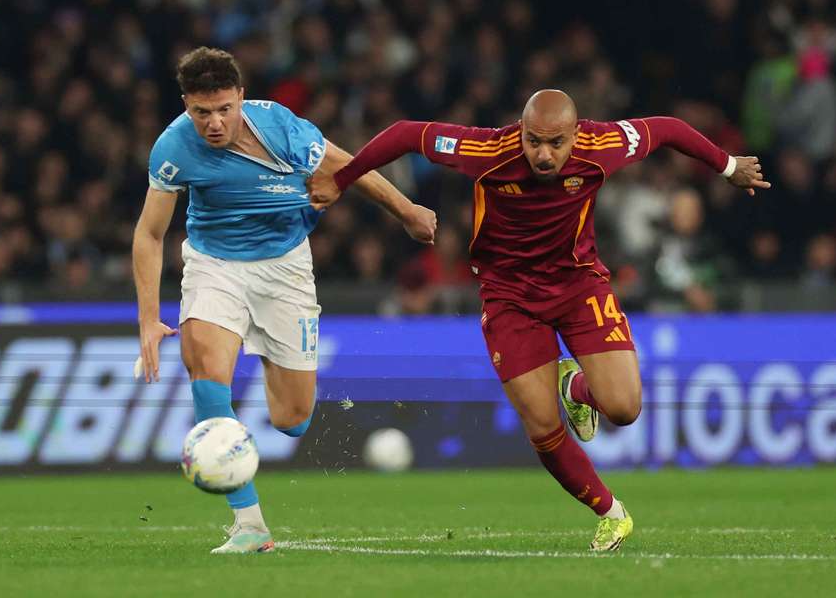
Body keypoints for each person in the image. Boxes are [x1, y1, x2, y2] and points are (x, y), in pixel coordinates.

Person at [307, 89, 769, 551]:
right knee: (542, 426)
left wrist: (726, 166)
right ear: (521, 132)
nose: (542, 155)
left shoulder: (601, 145)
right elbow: (408, 134)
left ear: (575, 134)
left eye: (555, 143)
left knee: (625, 408)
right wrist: (344, 179)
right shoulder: (487, 151)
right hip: (509, 297)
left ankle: (574, 387)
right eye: (533, 141)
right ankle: (610, 513)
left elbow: (666, 128)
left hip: (579, 286)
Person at [132, 47, 436, 554]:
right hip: (214, 265)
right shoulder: (172, 148)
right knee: (205, 369)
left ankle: (256, 409)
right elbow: (149, 234)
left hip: (285, 269)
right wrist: (147, 318)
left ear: (241, 98)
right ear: (186, 105)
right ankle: (250, 524)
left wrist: (407, 212)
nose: (213, 122)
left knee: (293, 420)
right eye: (201, 112)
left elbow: (352, 168)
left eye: (224, 109)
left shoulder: (283, 129)